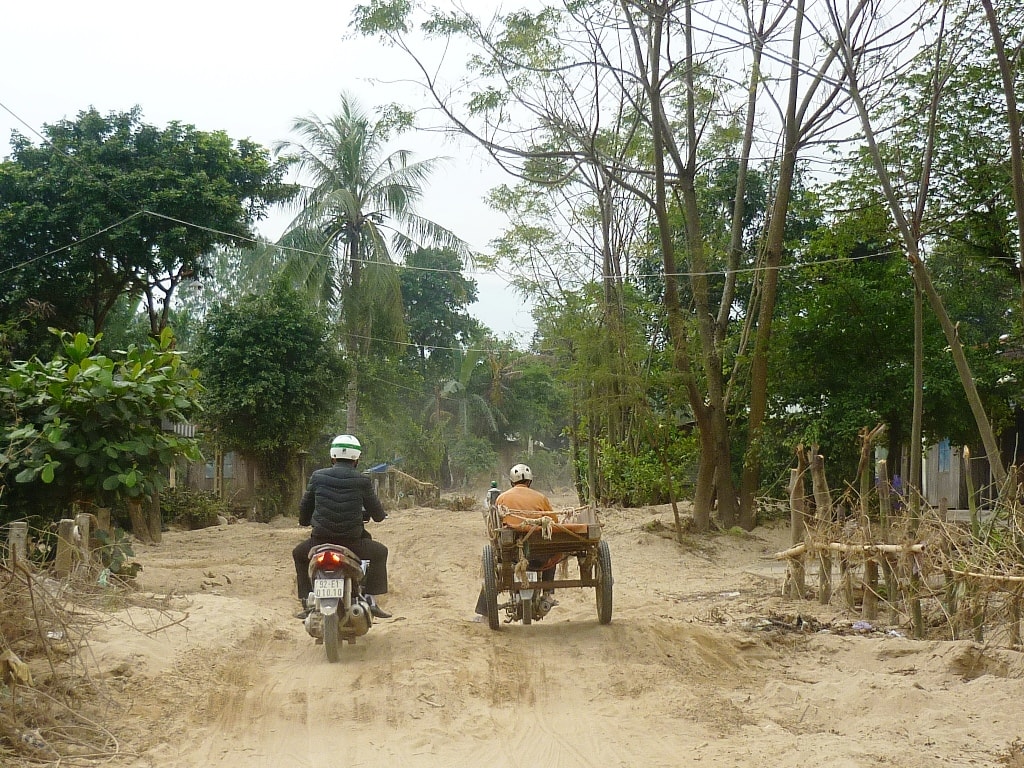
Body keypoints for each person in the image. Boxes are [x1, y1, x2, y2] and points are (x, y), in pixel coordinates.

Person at [293, 434, 391, 620]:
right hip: (352, 544)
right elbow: (377, 515)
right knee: (380, 552)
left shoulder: (317, 476)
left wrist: (305, 521)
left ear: (332, 456)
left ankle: (306, 600)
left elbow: (305, 507)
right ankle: (370, 599)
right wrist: (378, 515)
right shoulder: (362, 481)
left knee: (298, 554)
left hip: (319, 541)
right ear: (356, 459)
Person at [473, 463, 555, 620]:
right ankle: (548, 593)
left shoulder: (502, 498)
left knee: (495, 565)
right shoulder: (541, 498)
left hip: (512, 555)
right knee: (554, 555)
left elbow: (495, 524)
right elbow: (553, 522)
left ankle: (483, 613)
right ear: (530, 482)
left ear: (511, 482)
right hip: (540, 557)